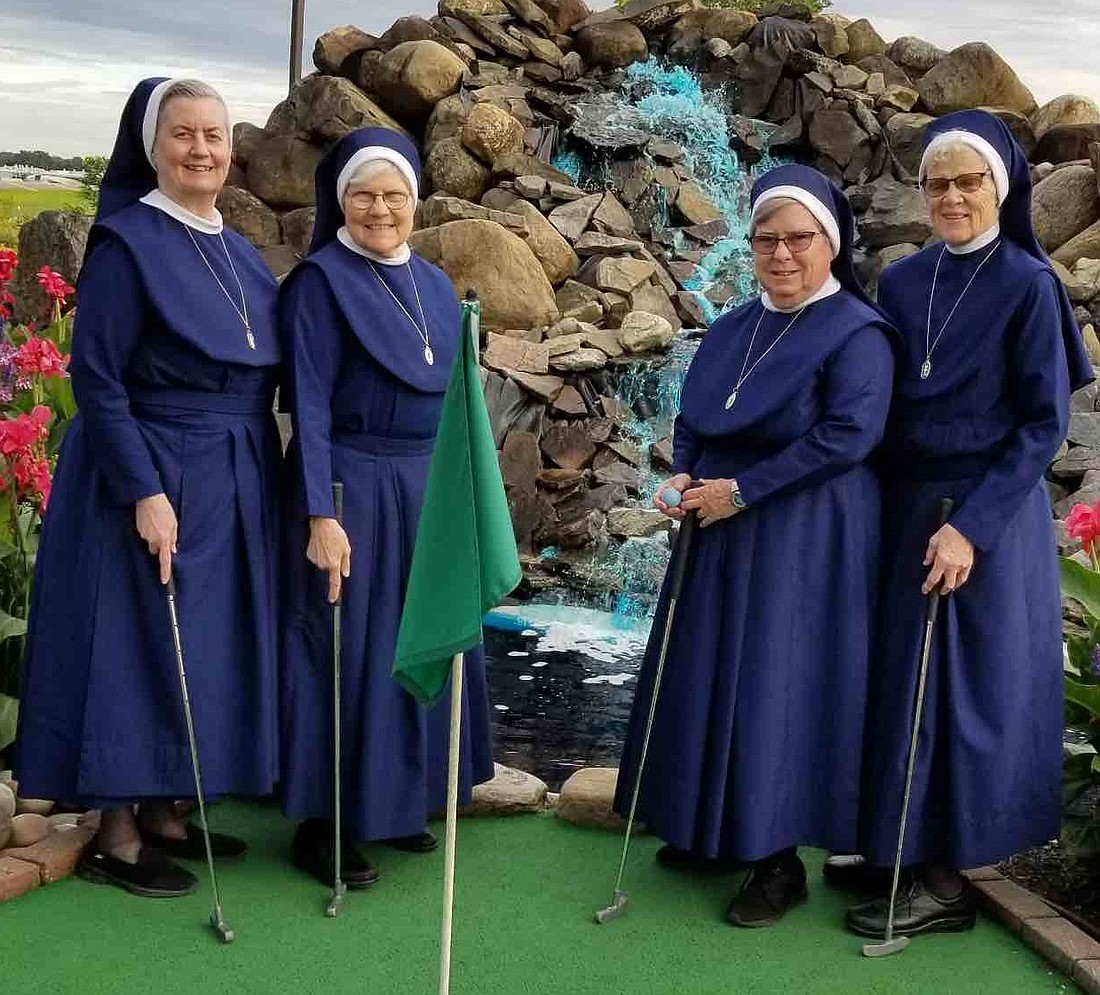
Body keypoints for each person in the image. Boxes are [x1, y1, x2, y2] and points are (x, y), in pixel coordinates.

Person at [15, 78, 282, 897]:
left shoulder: (239, 249)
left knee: (198, 641)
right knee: (132, 645)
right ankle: (116, 831)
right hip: (147, 468)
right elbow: (96, 380)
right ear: (152, 145)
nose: (202, 150)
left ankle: (169, 805)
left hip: (231, 466)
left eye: (214, 134)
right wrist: (143, 489)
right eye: (183, 135)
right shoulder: (125, 245)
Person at [613, 164, 896, 927]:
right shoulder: (739, 322)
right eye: (766, 239)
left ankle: (777, 860)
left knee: (779, 685)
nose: (780, 254)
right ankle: (714, 830)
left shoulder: (858, 332)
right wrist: (683, 473)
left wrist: (743, 491)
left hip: (804, 531)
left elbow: (849, 435)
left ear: (828, 244)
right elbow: (699, 415)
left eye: (797, 239)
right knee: (710, 675)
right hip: (718, 520)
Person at [845, 109, 1094, 939]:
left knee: (962, 692)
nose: (952, 196)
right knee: (900, 679)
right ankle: (895, 843)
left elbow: (1041, 426)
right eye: (938, 182)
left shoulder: (1030, 284)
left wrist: (971, 529)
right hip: (910, 503)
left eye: (969, 181)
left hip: (986, 513)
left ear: (1002, 187)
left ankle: (947, 877)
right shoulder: (906, 280)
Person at [278, 127, 494, 888]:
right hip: (351, 487)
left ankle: (400, 802)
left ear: (414, 202)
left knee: (419, 641)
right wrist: (318, 514)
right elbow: (307, 403)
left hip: (425, 487)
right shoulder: (319, 282)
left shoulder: (435, 285)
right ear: (341, 201)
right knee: (350, 653)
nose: (380, 209)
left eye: (394, 195)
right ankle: (322, 821)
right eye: (364, 194)